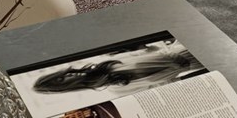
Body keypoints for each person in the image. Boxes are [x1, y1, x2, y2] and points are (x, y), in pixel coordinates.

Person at [34, 45, 201, 93]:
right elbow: (155, 87)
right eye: (62, 80)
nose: (68, 75)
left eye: (61, 75)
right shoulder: (115, 88)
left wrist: (169, 53)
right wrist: (176, 74)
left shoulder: (106, 63)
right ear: (64, 88)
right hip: (189, 65)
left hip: (181, 51)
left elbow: (149, 50)